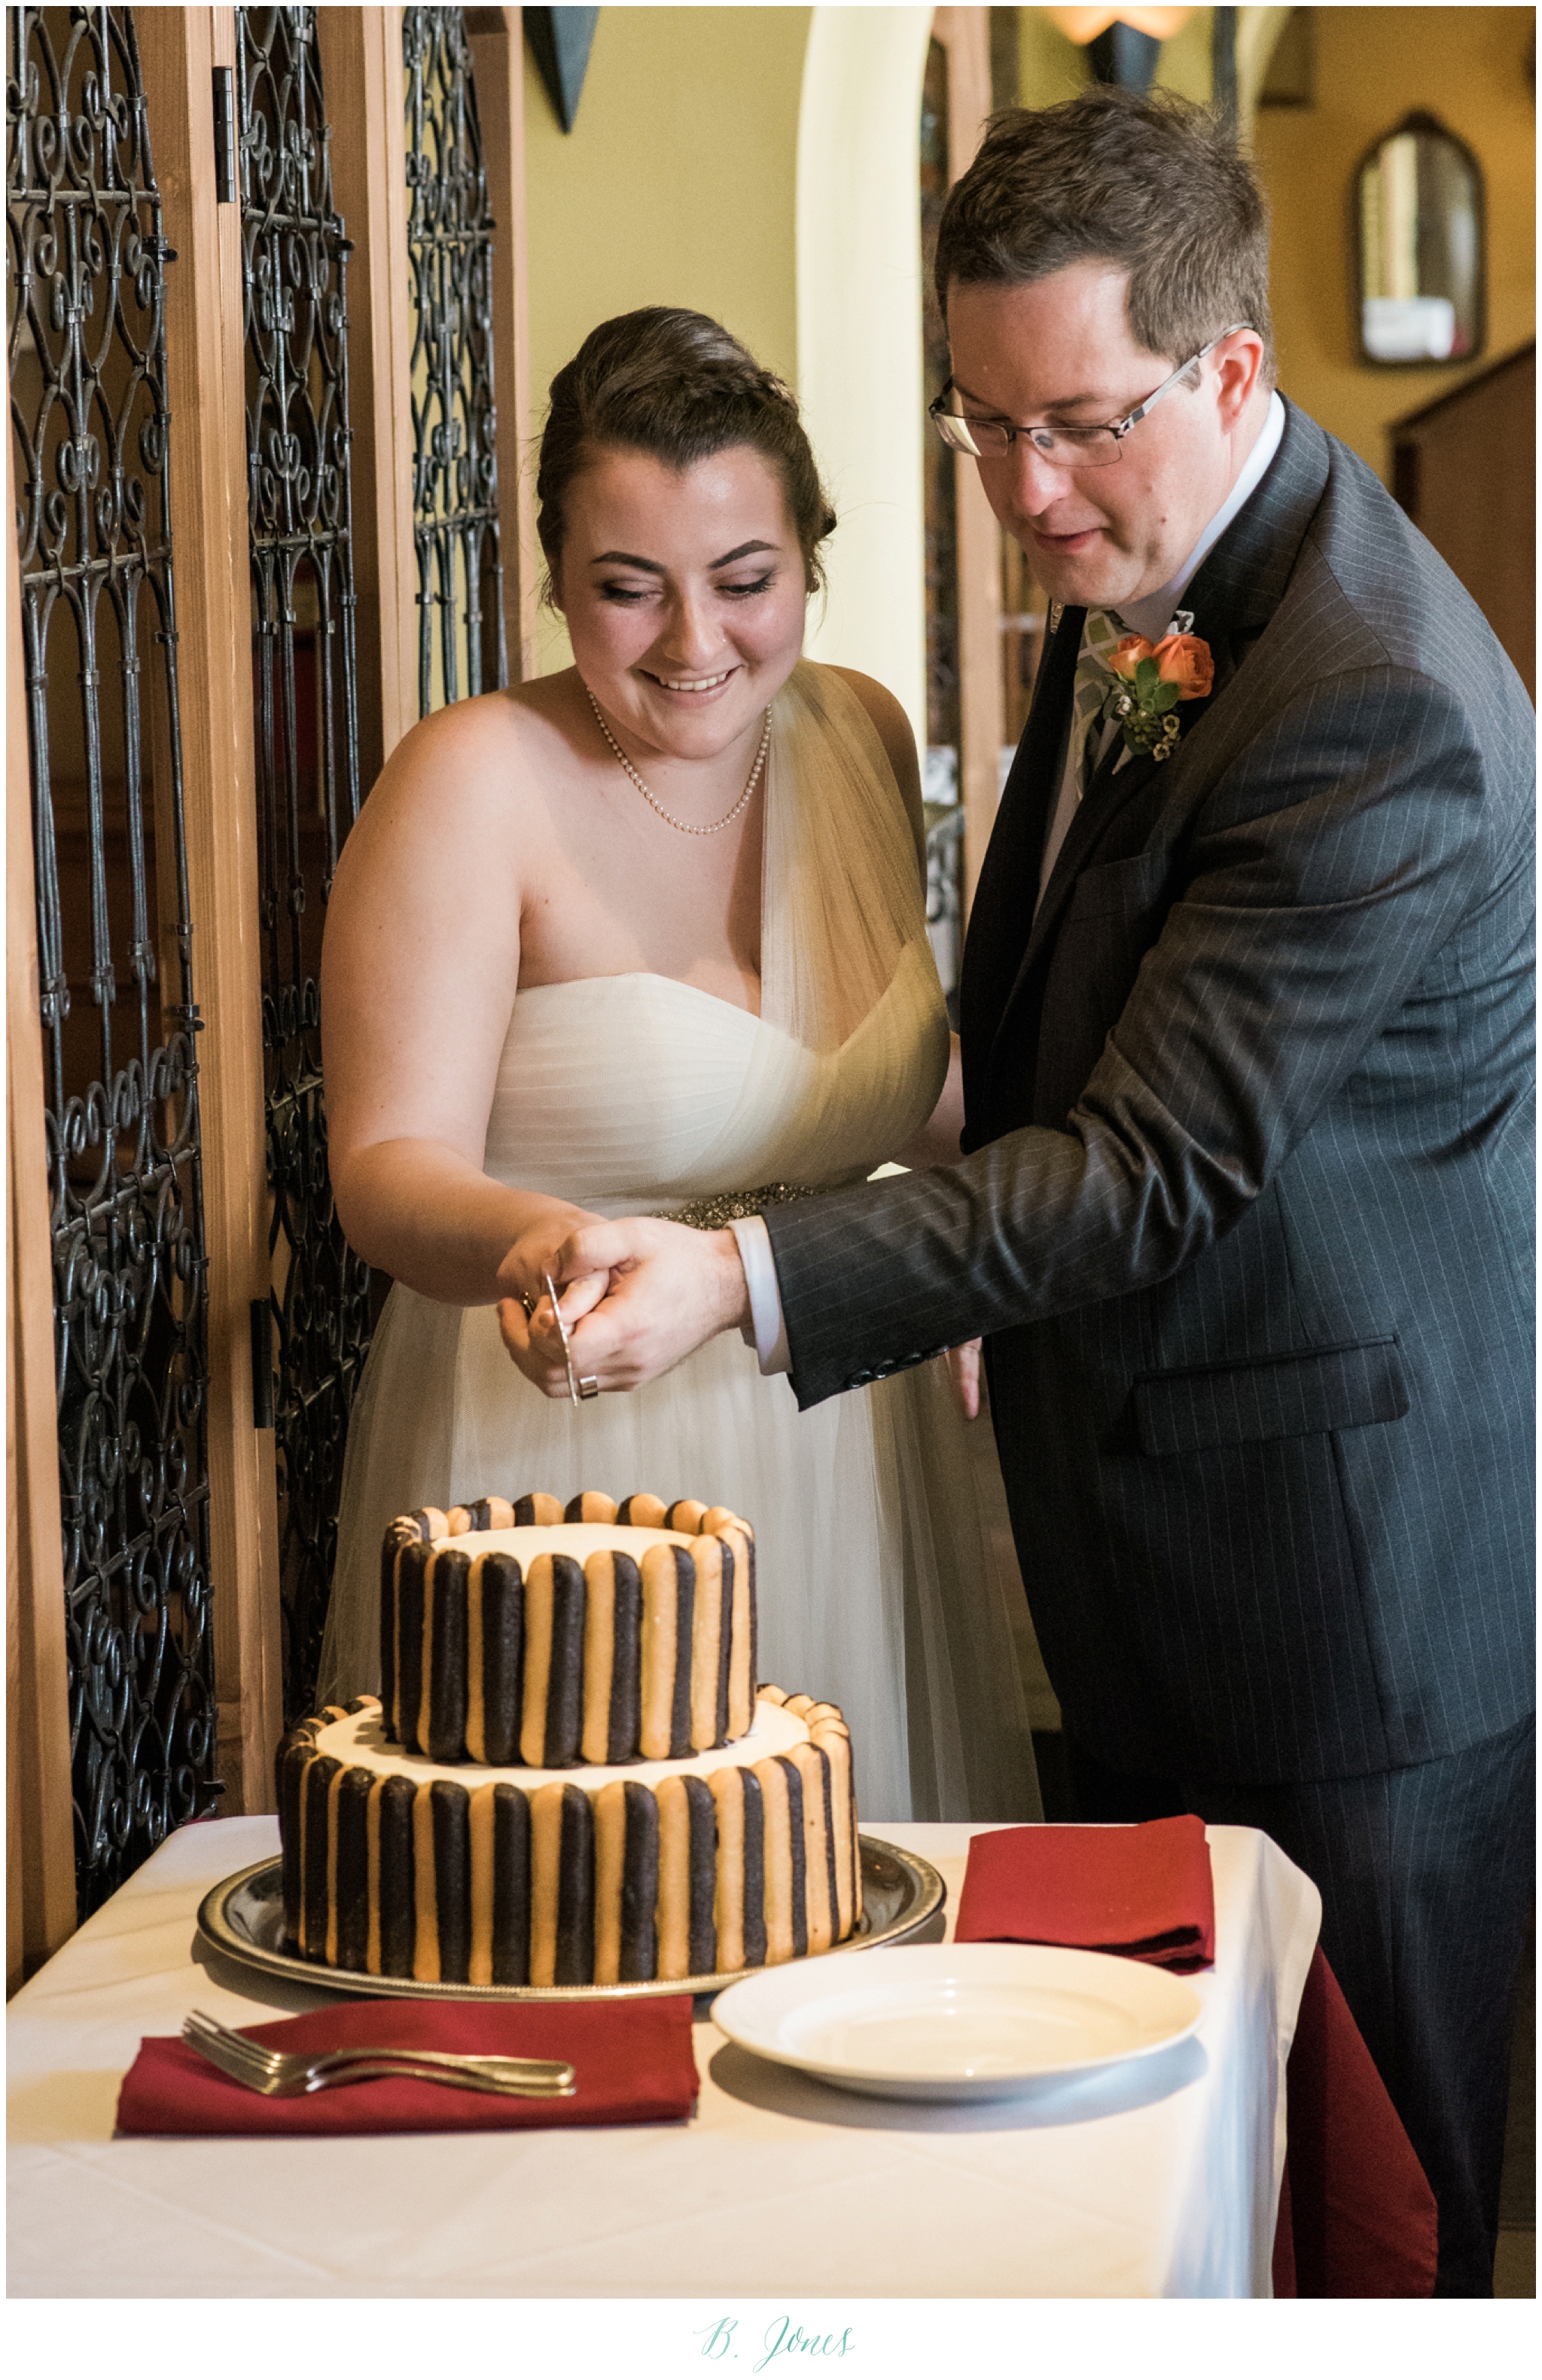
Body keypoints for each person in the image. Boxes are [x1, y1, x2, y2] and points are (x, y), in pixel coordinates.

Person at [509, 97, 1534, 2294]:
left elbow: (1160, 1161)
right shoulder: (1142, 573)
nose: (1025, 494)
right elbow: (1072, 1020)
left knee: (1373, 2232)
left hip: (1344, 1603)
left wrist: (753, 1274)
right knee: (1165, 2204)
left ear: (1232, 374)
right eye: (982, 429)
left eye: (1077, 425)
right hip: (1147, 1530)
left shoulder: (1378, 708)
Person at [315, 306, 1042, 1830]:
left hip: (850, 1410)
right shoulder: (471, 781)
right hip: (583, 1435)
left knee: (846, 1920)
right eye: (627, 590)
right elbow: (384, 1163)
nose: (697, 644)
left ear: (811, 560)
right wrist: (532, 1243)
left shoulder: (857, 733)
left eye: (745, 582)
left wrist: (1031, 1208)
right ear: (557, 577)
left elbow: (870, 1081)